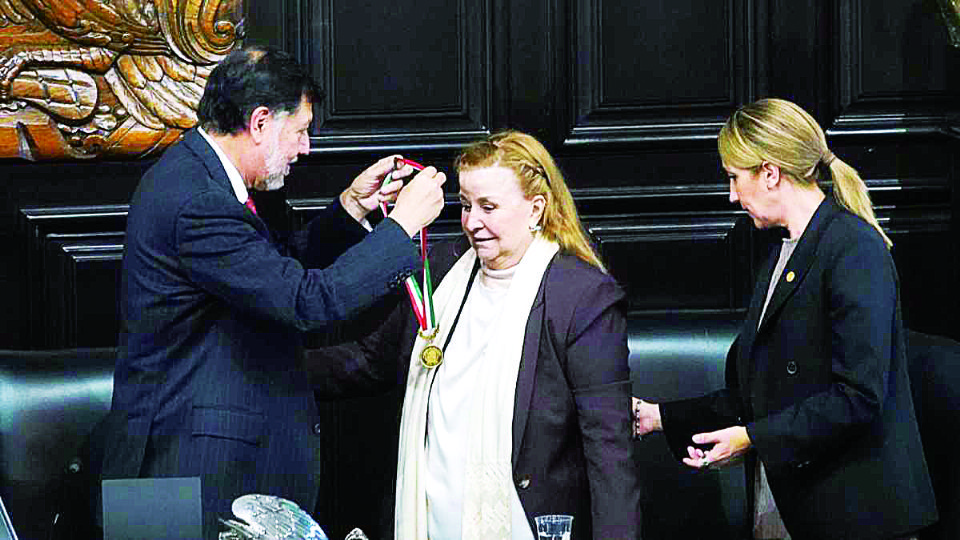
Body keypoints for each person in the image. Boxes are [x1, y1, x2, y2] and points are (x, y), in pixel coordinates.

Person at [100, 46, 447, 538]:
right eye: (301, 130)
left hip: (191, 461)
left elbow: (270, 274)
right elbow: (304, 301)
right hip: (184, 471)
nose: (305, 148)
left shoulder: (200, 175)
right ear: (260, 123)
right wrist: (402, 225)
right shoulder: (198, 201)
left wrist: (351, 209)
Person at [307, 131, 641, 539]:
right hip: (426, 522)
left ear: (536, 209)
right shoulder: (441, 267)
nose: (471, 222)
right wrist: (263, 367)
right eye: (465, 205)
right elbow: (371, 360)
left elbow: (609, 452)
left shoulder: (582, 296)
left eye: (488, 207)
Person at [633, 98, 937, 540]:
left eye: (735, 178)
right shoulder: (784, 253)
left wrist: (753, 439)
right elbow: (762, 393)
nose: (732, 195)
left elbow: (859, 396)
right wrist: (657, 417)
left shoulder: (854, 249)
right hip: (801, 507)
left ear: (770, 173)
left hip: (857, 516)